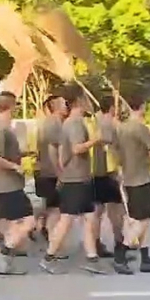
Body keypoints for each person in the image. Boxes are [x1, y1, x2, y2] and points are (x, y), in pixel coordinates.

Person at [40, 85, 107, 275]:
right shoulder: (74, 124)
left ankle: (92, 258)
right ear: (79, 100)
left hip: (80, 178)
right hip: (75, 179)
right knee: (67, 219)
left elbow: (62, 152)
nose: (88, 102)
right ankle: (48, 257)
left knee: (89, 217)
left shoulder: (71, 122)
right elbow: (77, 148)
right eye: (85, 98)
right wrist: (96, 140)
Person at [114, 95, 150, 273]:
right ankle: (121, 254)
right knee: (141, 221)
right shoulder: (141, 128)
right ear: (142, 106)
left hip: (129, 178)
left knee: (145, 220)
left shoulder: (121, 129)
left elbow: (117, 154)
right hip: (141, 180)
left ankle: (145, 258)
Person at [0, 92, 36, 275]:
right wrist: (15, 167)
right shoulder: (0, 128)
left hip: (11, 183)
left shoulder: (5, 128)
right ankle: (4, 251)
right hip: (8, 184)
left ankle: (7, 261)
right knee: (29, 221)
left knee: (14, 223)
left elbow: (6, 154)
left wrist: (25, 155)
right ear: (11, 106)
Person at [92, 96, 133, 272]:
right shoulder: (109, 124)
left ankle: (95, 244)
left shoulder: (94, 120)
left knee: (97, 211)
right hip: (108, 172)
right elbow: (110, 147)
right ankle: (119, 244)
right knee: (116, 210)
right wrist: (117, 170)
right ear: (111, 108)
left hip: (95, 171)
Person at [34, 95, 67, 242]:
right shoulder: (54, 124)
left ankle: (39, 226)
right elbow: (53, 149)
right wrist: (59, 172)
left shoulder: (50, 123)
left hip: (45, 169)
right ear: (55, 106)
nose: (66, 105)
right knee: (55, 207)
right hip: (49, 170)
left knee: (50, 203)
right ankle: (52, 239)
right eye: (63, 103)